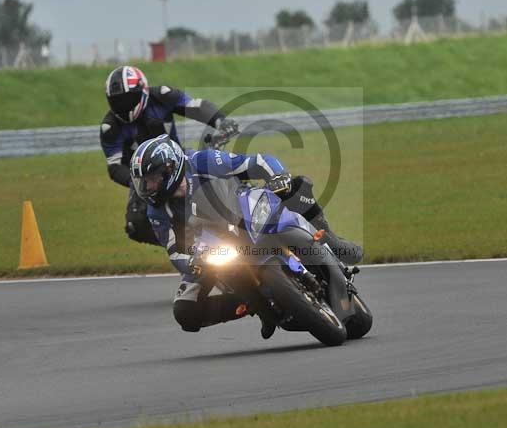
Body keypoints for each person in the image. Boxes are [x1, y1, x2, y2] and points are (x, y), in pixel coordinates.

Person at [129, 134, 363, 338]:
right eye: (143, 183)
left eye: (151, 180)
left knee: (294, 187)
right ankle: (256, 305)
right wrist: (193, 260)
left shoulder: (202, 161)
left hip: (244, 208)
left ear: (169, 169)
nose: (147, 187)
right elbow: (174, 250)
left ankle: (329, 240)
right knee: (184, 310)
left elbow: (258, 162)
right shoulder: (157, 211)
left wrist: (277, 176)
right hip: (213, 245)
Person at [99, 65, 238, 246]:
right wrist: (137, 183)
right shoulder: (110, 127)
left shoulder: (162, 96)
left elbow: (195, 106)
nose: (123, 104)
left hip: (178, 160)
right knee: (136, 226)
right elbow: (114, 166)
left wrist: (221, 121)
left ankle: (251, 204)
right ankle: (186, 249)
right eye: (117, 100)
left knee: (218, 166)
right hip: (145, 179)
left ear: (143, 91)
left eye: (128, 98)